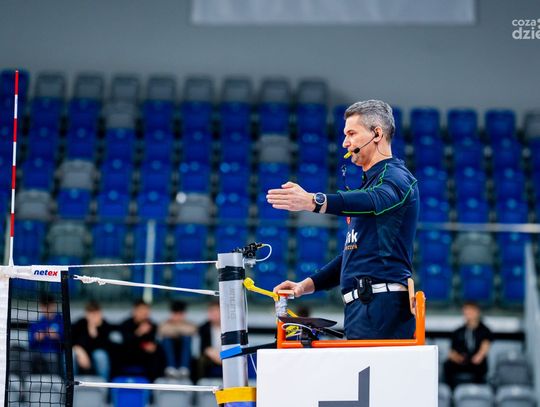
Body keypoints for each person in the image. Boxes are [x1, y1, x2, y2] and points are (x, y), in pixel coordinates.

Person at [267, 100, 419, 340]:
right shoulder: (371, 184)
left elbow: (376, 198)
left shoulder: (397, 177)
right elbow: (352, 255)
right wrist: (305, 286)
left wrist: (313, 201)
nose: (345, 143)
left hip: (382, 308)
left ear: (377, 134)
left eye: (351, 133)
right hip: (364, 308)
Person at [444, 302, 493, 389]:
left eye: (471, 310)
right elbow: (452, 352)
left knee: (480, 366)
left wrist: (479, 356)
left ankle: (478, 391)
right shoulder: (458, 331)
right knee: (447, 365)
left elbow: (485, 346)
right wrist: (457, 358)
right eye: (466, 310)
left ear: (477, 312)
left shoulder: (485, 330)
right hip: (461, 360)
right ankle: (450, 391)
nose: (468, 313)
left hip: (476, 361)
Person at [118, 299, 166, 381]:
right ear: (135, 311)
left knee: (158, 352)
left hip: (145, 354)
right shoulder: (126, 324)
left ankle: (155, 381)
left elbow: (152, 341)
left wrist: (152, 346)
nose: (145, 313)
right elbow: (126, 341)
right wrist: (139, 332)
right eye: (142, 310)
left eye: (146, 310)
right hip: (129, 353)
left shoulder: (151, 325)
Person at [72, 301, 114, 379]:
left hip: (96, 355)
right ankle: (69, 382)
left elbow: (106, 346)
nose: (93, 316)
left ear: (100, 313)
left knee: (100, 355)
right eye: (90, 313)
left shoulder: (106, 326)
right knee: (71, 353)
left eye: (95, 313)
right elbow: (71, 341)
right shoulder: (80, 323)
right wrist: (79, 351)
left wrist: (94, 332)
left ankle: (103, 383)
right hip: (81, 354)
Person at [158, 300, 197, 379]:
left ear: (184, 314)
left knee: (187, 338)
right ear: (172, 314)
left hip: (184, 354)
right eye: (176, 314)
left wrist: (174, 331)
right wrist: (180, 330)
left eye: (180, 314)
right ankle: (171, 367)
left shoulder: (189, 323)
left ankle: (184, 368)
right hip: (168, 354)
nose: (178, 317)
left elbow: (193, 330)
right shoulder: (165, 323)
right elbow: (162, 330)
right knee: (167, 339)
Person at [28, 294, 64, 374]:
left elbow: (68, 342)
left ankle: (55, 380)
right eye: (44, 306)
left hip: (55, 353)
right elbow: (30, 344)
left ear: (53, 305)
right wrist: (36, 338)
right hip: (37, 352)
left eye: (48, 305)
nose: (46, 309)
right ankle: (24, 381)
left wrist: (57, 336)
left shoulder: (62, 321)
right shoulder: (37, 323)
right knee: (25, 356)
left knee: (52, 357)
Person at [198, 300, 222, 379]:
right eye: (211, 312)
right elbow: (205, 348)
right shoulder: (204, 327)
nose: (213, 315)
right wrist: (219, 357)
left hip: (228, 354)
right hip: (212, 357)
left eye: (216, 312)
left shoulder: (231, 326)